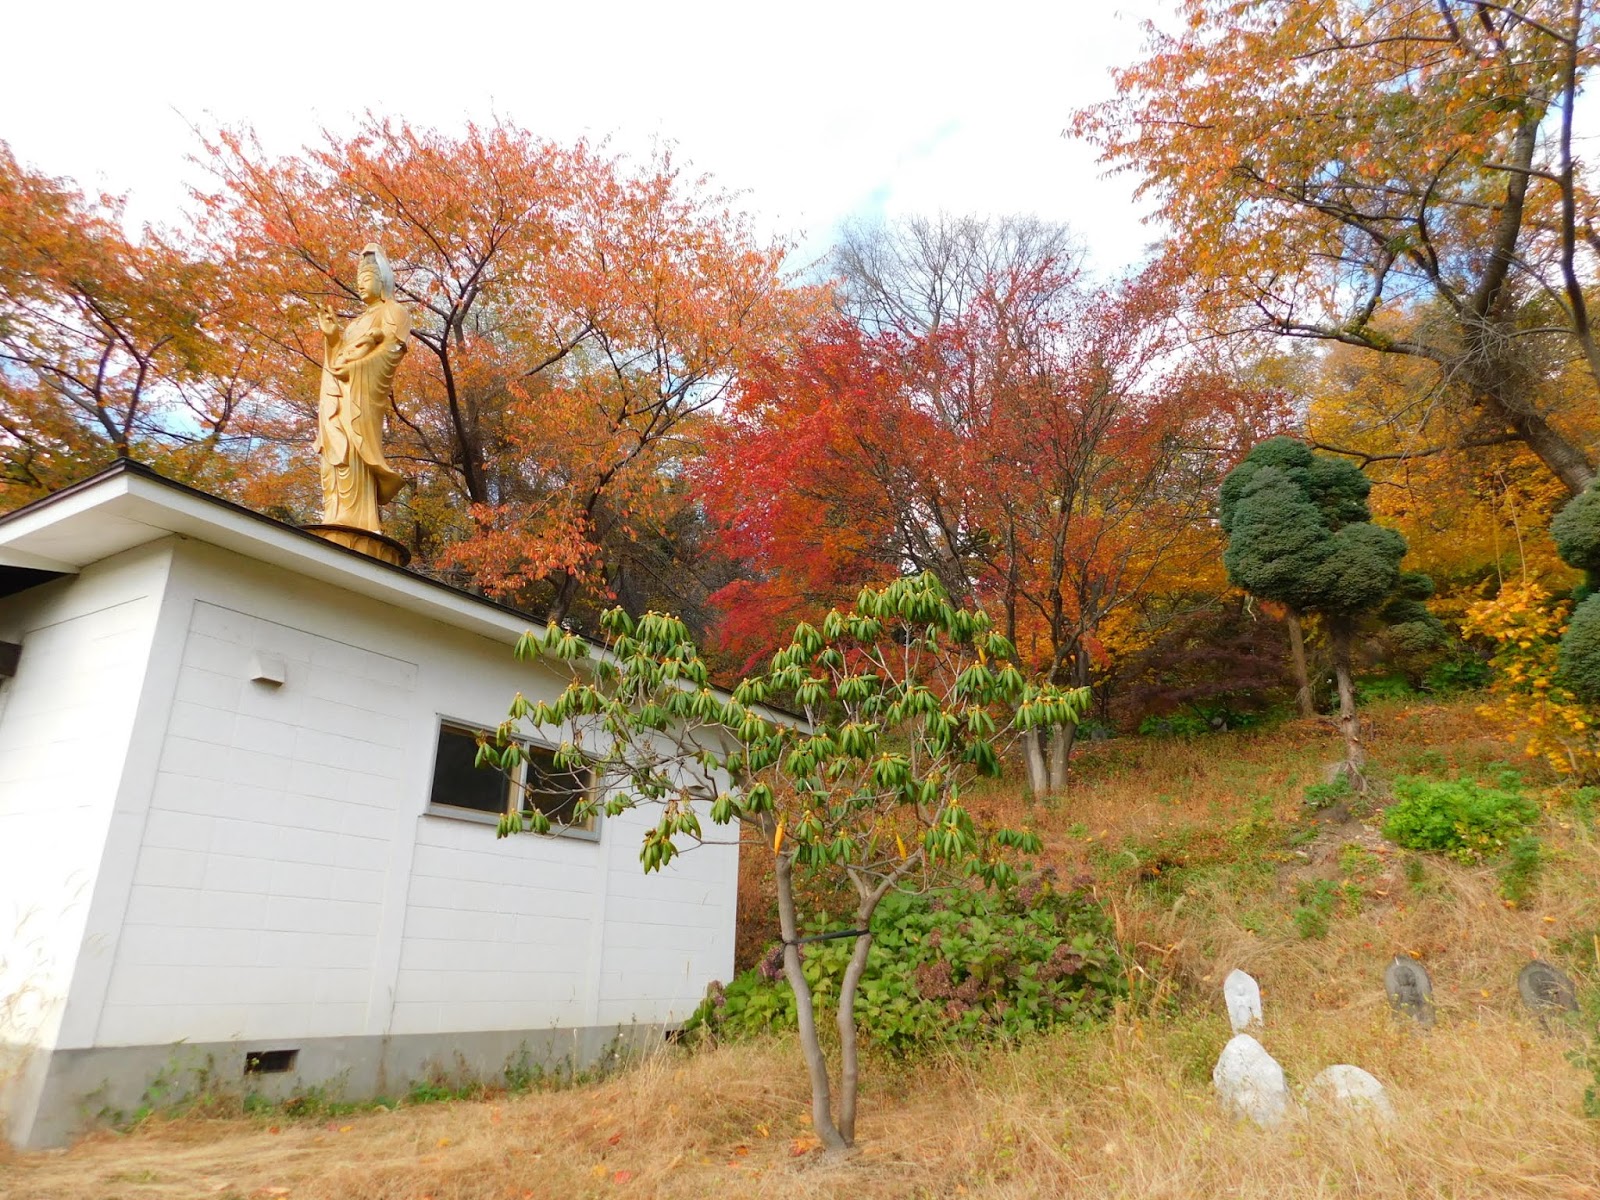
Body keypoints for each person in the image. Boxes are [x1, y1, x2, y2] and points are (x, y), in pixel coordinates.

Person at [314, 243, 409, 531]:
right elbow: (338, 357)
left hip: (360, 394)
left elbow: (391, 351)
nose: (360, 285)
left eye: (367, 278)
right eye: (358, 280)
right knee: (334, 451)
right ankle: (334, 513)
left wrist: (355, 369)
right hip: (338, 395)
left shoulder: (393, 311)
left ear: (383, 281)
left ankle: (357, 520)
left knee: (353, 450)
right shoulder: (355, 323)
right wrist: (333, 338)